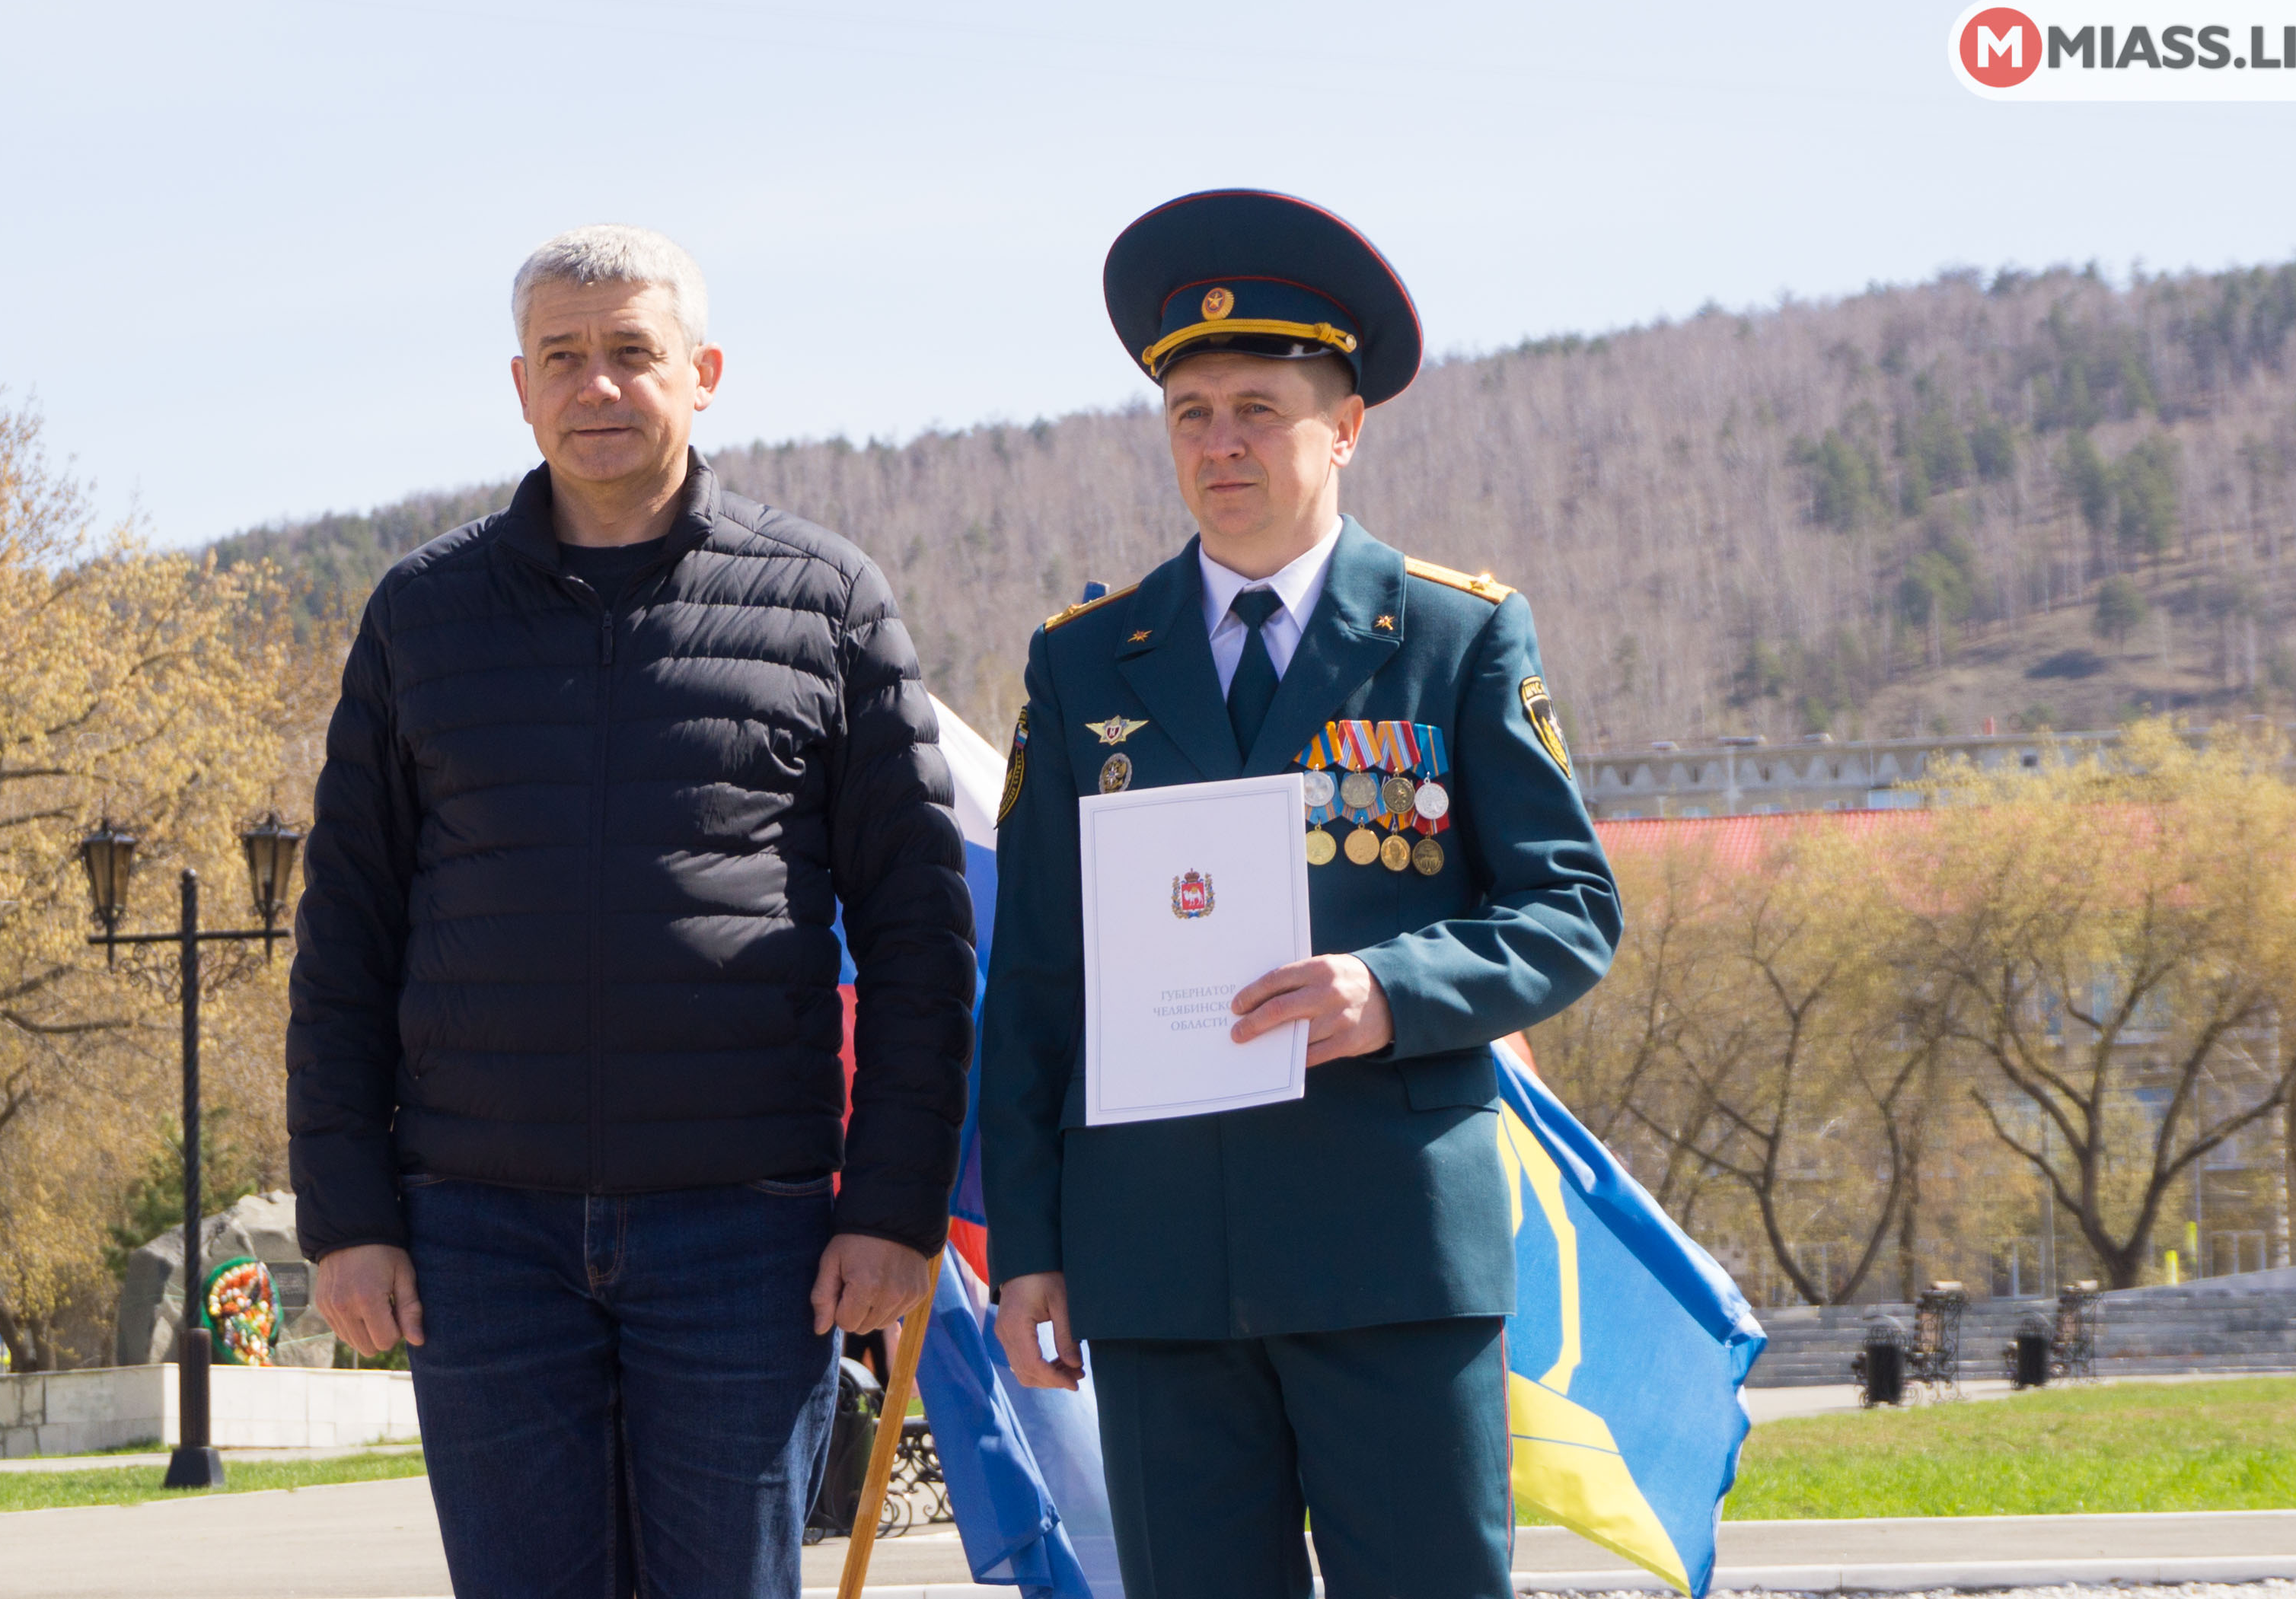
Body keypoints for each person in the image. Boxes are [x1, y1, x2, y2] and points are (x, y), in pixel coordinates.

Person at [290, 223, 980, 1597]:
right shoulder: (420, 616)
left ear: (703, 371)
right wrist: (345, 1212)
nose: (596, 387)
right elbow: (345, 934)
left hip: (750, 1232)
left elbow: (919, 933)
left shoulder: (826, 600)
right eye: (564, 358)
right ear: (520, 386)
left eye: (630, 354)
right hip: (477, 1235)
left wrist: (892, 1205)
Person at [978, 189, 1622, 1599]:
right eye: (1191, 410)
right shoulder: (1087, 662)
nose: (1220, 443)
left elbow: (1571, 909)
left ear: (1345, 426)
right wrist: (1029, 1248)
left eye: (1258, 406)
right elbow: (1032, 977)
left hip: (1387, 1250)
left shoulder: (1451, 635)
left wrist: (1390, 989)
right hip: (1153, 1263)